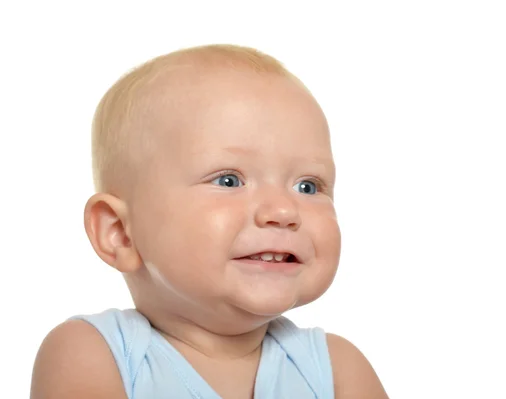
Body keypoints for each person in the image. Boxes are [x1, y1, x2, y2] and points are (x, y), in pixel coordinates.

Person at [30, 44, 388, 398]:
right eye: (228, 180)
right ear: (120, 233)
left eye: (308, 186)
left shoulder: (338, 370)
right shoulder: (93, 354)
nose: (283, 211)